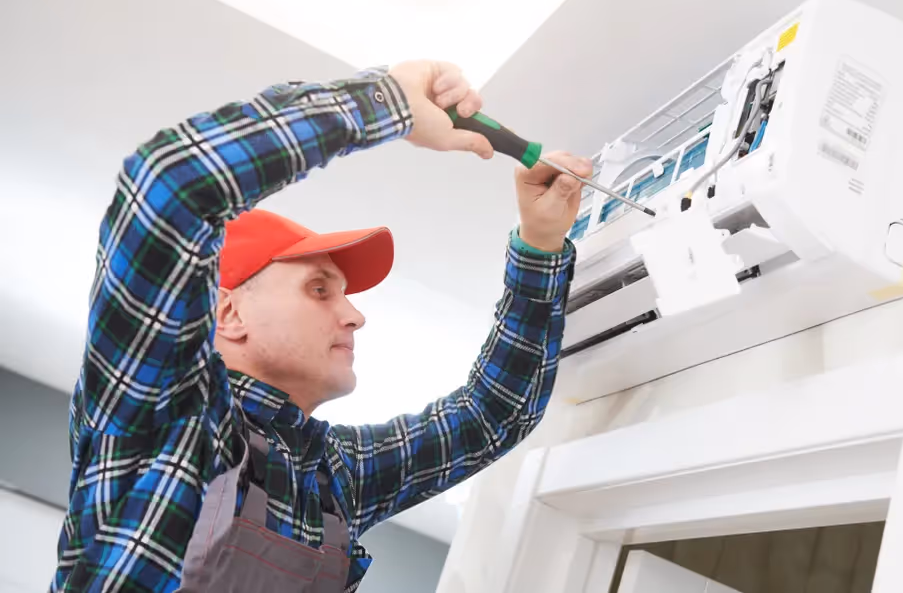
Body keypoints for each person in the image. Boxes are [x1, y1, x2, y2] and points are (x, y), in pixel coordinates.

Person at [53, 60, 592, 592]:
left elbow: (492, 414)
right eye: (319, 289)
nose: (355, 315)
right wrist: (387, 101)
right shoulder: (163, 414)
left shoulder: (334, 476)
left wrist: (540, 245)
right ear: (229, 314)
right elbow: (169, 184)